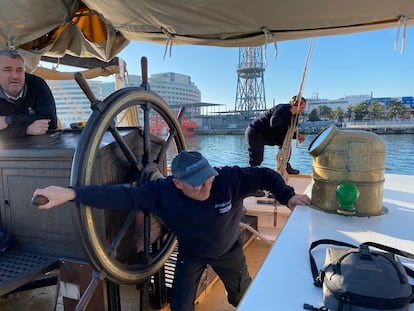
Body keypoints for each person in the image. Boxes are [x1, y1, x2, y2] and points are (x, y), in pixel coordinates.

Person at [33, 150, 311, 311]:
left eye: (208, 179)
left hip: (229, 251)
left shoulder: (227, 178)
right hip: (191, 253)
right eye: (197, 184)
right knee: (179, 305)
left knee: (244, 298)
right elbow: (117, 195)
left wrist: (288, 197)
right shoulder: (162, 192)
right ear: (177, 184)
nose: (206, 187)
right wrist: (69, 193)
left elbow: (265, 175)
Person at [0, 49, 57, 139]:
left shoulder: (37, 85)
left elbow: (49, 123)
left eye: (19, 70)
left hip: (39, 149)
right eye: (8, 70)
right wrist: (27, 129)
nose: (15, 76)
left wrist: (9, 120)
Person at [245, 95, 307, 175]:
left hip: (269, 134)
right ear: (295, 104)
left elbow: (287, 131)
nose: (302, 111)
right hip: (256, 132)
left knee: (286, 143)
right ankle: (250, 178)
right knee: (256, 160)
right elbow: (274, 122)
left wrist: (297, 136)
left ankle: (284, 165)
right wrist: (290, 112)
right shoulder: (283, 108)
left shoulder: (295, 115)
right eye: (301, 108)